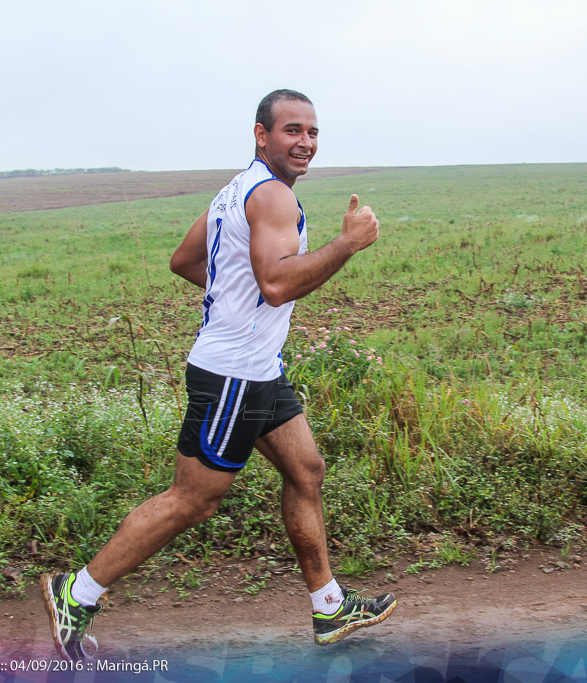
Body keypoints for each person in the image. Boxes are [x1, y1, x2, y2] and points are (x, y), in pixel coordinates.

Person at [41, 89, 396, 661]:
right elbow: (278, 283)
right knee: (194, 500)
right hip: (233, 375)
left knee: (306, 471)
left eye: (313, 132)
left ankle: (330, 607)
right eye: (292, 131)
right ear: (262, 135)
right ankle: (76, 593)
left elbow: (185, 261)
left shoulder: (236, 190)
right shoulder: (273, 196)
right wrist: (348, 243)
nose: (305, 142)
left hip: (259, 371)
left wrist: (233, 302)